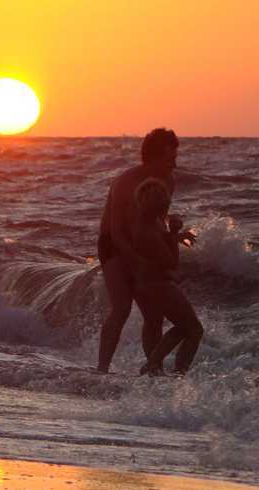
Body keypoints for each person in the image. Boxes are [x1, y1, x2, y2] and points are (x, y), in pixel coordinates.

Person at [96, 128, 195, 373]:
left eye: (175, 157)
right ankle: (102, 369)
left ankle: (154, 369)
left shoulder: (168, 181)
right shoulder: (126, 182)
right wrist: (135, 260)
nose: (175, 163)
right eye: (170, 158)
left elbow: (156, 220)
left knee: (154, 316)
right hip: (113, 244)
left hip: (142, 242)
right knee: (122, 308)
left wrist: (173, 236)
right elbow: (117, 231)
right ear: (152, 159)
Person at [130, 178, 204, 375]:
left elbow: (160, 241)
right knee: (193, 329)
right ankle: (171, 371)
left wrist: (174, 236)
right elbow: (171, 262)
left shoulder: (149, 220)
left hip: (144, 284)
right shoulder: (148, 231)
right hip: (158, 284)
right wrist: (174, 231)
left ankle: (156, 366)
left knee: (163, 325)